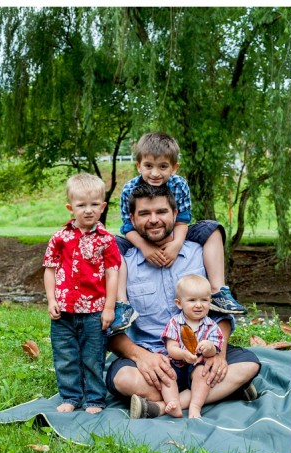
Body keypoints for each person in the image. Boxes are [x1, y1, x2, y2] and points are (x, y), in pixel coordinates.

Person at [106, 183, 260, 419]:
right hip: (154, 357)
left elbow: (221, 313)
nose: (153, 220)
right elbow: (111, 330)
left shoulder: (200, 254)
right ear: (133, 221)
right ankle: (220, 391)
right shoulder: (121, 264)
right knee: (123, 379)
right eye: (144, 214)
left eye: (161, 212)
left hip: (200, 355)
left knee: (249, 364)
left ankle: (160, 406)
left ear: (175, 214)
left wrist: (219, 354)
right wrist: (141, 356)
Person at [115, 132, 247, 315]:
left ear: (174, 167)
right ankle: (121, 304)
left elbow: (183, 219)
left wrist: (176, 245)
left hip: (175, 230)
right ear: (138, 166)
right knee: (110, 245)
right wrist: (145, 248)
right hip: (139, 234)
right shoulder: (130, 189)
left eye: (163, 166)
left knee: (212, 229)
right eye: (148, 166)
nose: (155, 173)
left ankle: (218, 292)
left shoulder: (179, 185)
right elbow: (128, 226)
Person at [42, 173, 122, 414]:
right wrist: (51, 300)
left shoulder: (106, 240)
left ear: (103, 206)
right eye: (81, 205)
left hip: (94, 312)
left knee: (93, 356)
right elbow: (50, 269)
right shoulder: (60, 238)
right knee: (65, 355)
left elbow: (112, 273)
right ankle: (71, 395)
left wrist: (109, 308)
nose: (88, 210)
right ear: (70, 208)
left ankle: (95, 398)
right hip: (64, 312)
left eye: (94, 204)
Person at [158, 274, 225, 418]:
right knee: (166, 375)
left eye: (204, 300)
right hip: (176, 364)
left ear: (210, 301)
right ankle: (174, 404)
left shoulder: (211, 326)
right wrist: (182, 354)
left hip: (197, 365)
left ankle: (195, 406)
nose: (199, 305)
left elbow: (215, 350)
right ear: (179, 303)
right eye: (192, 300)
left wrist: (209, 348)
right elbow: (171, 348)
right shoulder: (175, 323)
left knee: (203, 374)